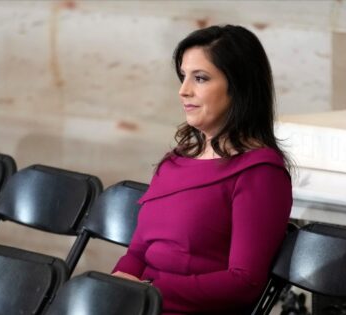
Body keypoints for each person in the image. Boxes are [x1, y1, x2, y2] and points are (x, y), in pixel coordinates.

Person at [112, 24, 293, 315]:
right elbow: (137, 253)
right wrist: (116, 290)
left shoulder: (260, 173)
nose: (184, 91)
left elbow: (243, 282)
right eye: (183, 76)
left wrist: (149, 293)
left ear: (238, 86)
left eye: (200, 78)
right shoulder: (174, 161)